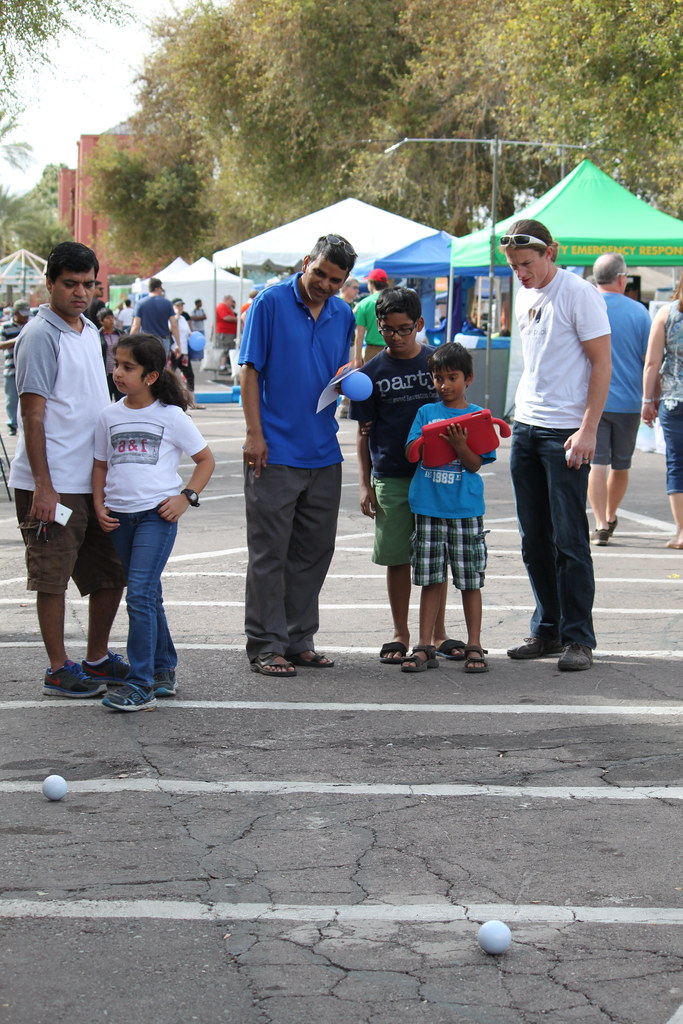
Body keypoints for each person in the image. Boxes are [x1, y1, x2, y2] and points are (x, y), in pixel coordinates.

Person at [8, 241, 128, 697]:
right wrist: (43, 485)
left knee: (111, 572)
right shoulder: (40, 335)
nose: (81, 293)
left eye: (88, 284)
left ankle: (96, 658)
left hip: (94, 482)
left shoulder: (88, 330)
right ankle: (59, 669)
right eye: (70, 284)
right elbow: (32, 416)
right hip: (51, 484)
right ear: (50, 284)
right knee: (53, 577)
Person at [239, 233, 356, 676]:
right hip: (274, 450)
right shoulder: (269, 303)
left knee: (313, 551)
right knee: (270, 552)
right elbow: (250, 370)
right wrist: (254, 435)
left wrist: (348, 376)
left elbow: (333, 373)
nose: (325, 284)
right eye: (320, 273)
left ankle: (298, 637)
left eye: (336, 279)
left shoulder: (343, 313)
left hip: (324, 450)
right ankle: (267, 644)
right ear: (307, 262)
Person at [502, 220, 611, 672]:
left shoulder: (579, 293)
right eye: (513, 267)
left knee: (569, 540)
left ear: (551, 252)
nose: (521, 274)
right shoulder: (527, 293)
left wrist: (588, 430)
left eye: (527, 264)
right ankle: (547, 630)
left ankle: (578, 638)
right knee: (534, 541)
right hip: (526, 426)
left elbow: (601, 363)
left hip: (564, 431)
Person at [93, 333, 215, 711]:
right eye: (116, 364)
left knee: (140, 594)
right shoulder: (109, 414)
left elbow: (205, 460)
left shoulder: (171, 416)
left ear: (150, 376)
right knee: (150, 595)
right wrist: (99, 505)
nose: (118, 372)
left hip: (156, 517)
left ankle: (141, 682)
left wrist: (186, 497)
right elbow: (100, 465)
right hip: (119, 519)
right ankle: (164, 668)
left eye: (128, 367)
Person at [350, 287, 464, 664]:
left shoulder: (438, 364)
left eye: (403, 329)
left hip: (437, 476)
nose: (395, 337)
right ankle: (401, 632)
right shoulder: (370, 375)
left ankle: (437, 633)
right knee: (398, 558)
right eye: (386, 330)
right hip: (391, 476)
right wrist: (365, 483)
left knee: (436, 556)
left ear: (419, 324)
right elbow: (363, 433)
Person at [401, 343, 495, 674]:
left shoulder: (478, 417)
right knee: (430, 580)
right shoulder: (426, 413)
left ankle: (474, 645)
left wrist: (458, 444)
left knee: (470, 581)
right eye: (438, 378)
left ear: (467, 378)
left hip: (466, 510)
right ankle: (424, 645)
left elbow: (474, 465)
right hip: (428, 508)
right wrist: (427, 439)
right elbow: (413, 453)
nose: (444, 385)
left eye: (452, 377)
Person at [588, 253, 650, 544]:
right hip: (628, 401)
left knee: (596, 464)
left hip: (592, 400)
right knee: (621, 465)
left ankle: (600, 522)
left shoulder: (588, 306)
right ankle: (611, 515)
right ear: (622, 278)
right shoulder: (639, 312)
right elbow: (648, 359)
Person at [642, 277, 683, 549]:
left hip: (674, 399)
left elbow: (653, 361)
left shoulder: (667, 314)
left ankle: (681, 531)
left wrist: (648, 399)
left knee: (677, 464)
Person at [1, 299, 30, 435]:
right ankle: (12, 425)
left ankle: (25, 425)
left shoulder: (30, 325)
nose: (25, 317)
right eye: (22, 314)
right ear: (16, 313)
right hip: (11, 369)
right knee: (11, 399)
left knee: (28, 400)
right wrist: (16, 340)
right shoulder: (6, 327)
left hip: (28, 370)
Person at [131, 278, 180, 356]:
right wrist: (178, 344)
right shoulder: (167, 303)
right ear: (157, 288)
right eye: (161, 289)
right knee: (161, 366)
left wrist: (130, 343)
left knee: (147, 366)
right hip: (163, 340)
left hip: (146, 341)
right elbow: (174, 325)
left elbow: (136, 326)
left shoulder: (140, 304)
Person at [353, 268, 390, 363]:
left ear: (371, 283)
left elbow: (359, 335)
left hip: (372, 351)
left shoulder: (363, 304)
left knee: (372, 377)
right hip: (393, 348)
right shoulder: (396, 301)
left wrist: (357, 359)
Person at [98, 307, 123, 401]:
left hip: (120, 372)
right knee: (105, 399)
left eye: (112, 317)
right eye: (107, 318)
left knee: (121, 398)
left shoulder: (120, 334)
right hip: (106, 373)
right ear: (101, 321)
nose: (111, 320)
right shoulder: (97, 336)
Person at [171, 298, 195, 393]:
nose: (180, 308)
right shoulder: (172, 319)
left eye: (181, 306)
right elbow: (171, 329)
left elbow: (188, 332)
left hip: (184, 351)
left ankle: (191, 399)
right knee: (171, 375)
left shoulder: (183, 319)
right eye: (177, 306)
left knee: (189, 375)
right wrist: (175, 316)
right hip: (174, 350)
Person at [216, 294, 238, 372]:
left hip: (229, 333)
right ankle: (222, 366)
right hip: (225, 333)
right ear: (227, 300)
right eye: (231, 301)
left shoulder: (227, 308)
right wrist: (237, 319)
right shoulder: (221, 307)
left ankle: (224, 366)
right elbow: (225, 317)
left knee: (229, 349)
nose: (232, 303)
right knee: (225, 349)